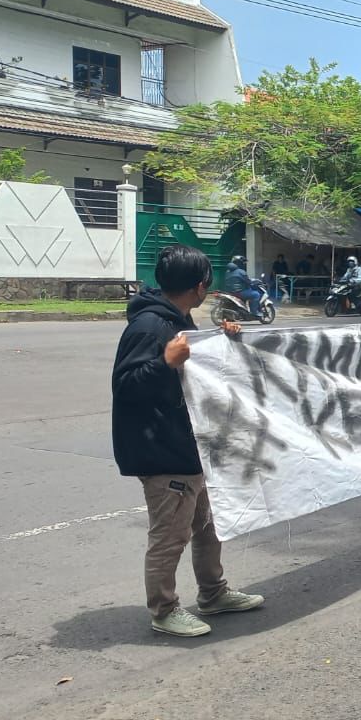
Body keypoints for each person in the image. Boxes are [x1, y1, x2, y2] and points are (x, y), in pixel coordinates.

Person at [112, 244, 263, 637]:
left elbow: (202, 372)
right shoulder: (148, 327)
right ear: (199, 286)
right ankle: (164, 610)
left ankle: (213, 594)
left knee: (208, 527)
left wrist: (224, 339)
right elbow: (126, 386)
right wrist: (165, 362)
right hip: (162, 450)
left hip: (192, 445)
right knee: (170, 537)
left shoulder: (180, 321)